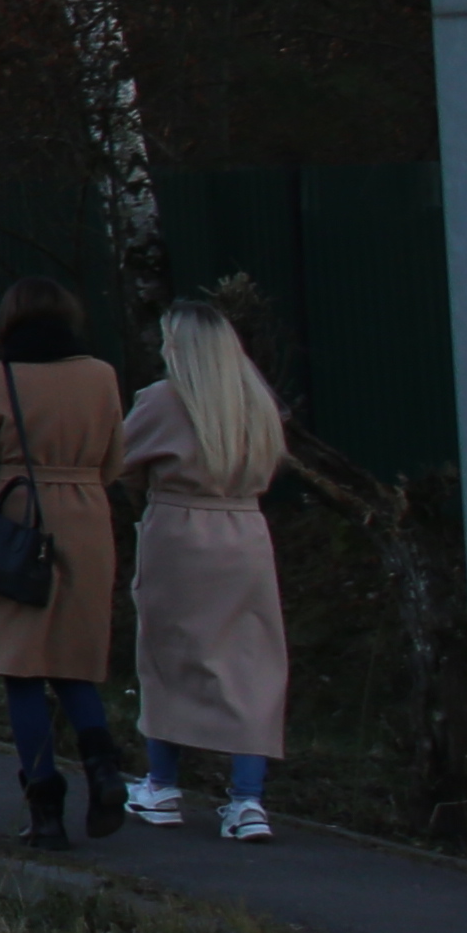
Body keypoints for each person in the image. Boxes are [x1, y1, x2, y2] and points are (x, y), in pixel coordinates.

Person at [116, 296, 293, 842]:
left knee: (169, 654)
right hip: (245, 532)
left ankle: (163, 785)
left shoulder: (164, 400)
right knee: (250, 659)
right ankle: (246, 801)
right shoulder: (256, 401)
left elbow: (119, 462)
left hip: (179, 531)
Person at [0, 275, 128, 847]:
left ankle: (44, 800)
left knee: (22, 667)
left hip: (18, 519)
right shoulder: (102, 376)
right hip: (86, 517)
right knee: (74, 658)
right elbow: (114, 462)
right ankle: (104, 763)